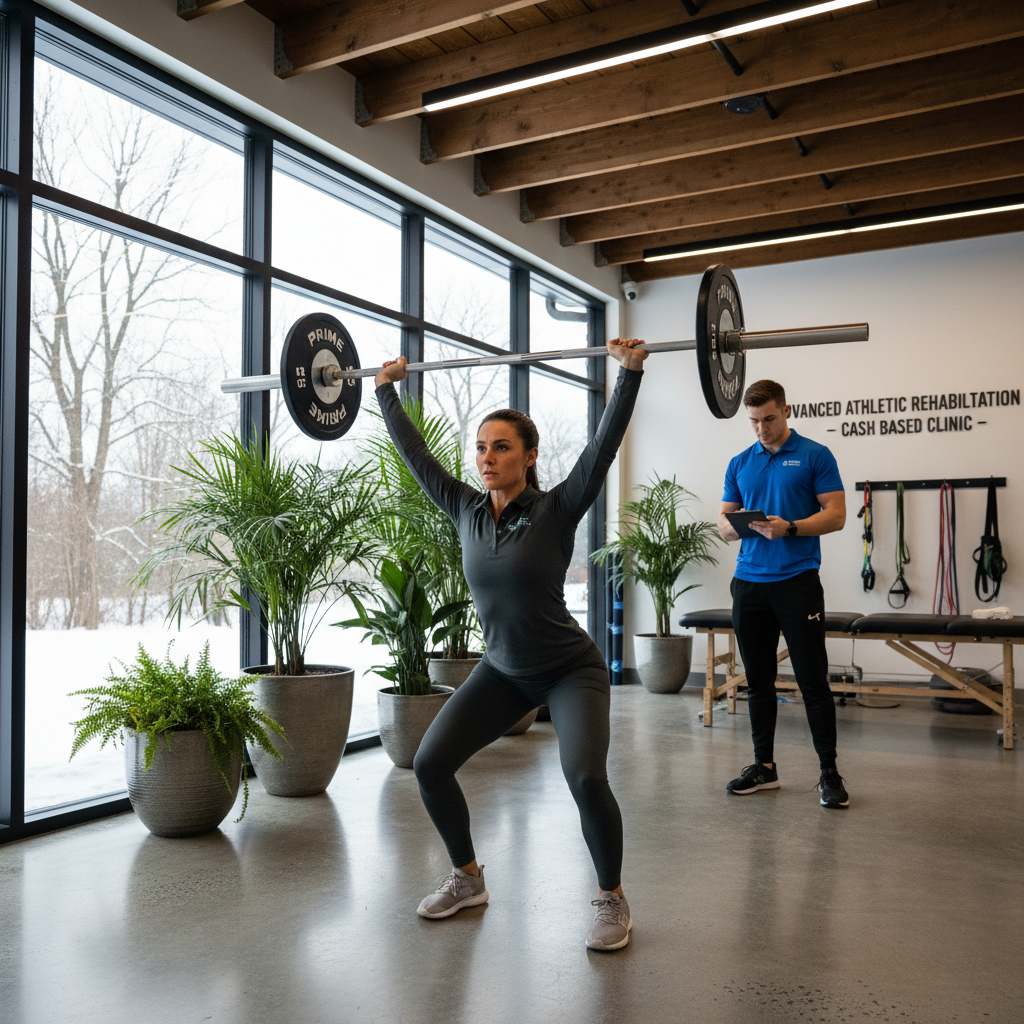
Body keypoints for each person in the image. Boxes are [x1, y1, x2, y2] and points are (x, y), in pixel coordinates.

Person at [373, 339, 646, 951]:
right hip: (502, 671)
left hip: (568, 671)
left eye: (501, 447)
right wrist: (387, 390)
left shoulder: (556, 508)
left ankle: (612, 898)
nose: (487, 457)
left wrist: (628, 374)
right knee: (430, 764)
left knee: (584, 777)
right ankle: (468, 879)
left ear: (528, 456)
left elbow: (601, 450)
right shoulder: (465, 508)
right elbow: (417, 457)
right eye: (481, 447)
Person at [717, 379, 849, 808]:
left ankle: (829, 772)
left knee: (813, 681)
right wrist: (739, 525)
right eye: (754, 422)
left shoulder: (815, 455)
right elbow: (722, 523)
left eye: (768, 419)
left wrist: (789, 527)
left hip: (797, 582)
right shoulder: (740, 463)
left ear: (786, 411)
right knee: (758, 682)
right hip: (750, 584)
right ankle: (764, 768)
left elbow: (836, 515)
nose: (761, 429)